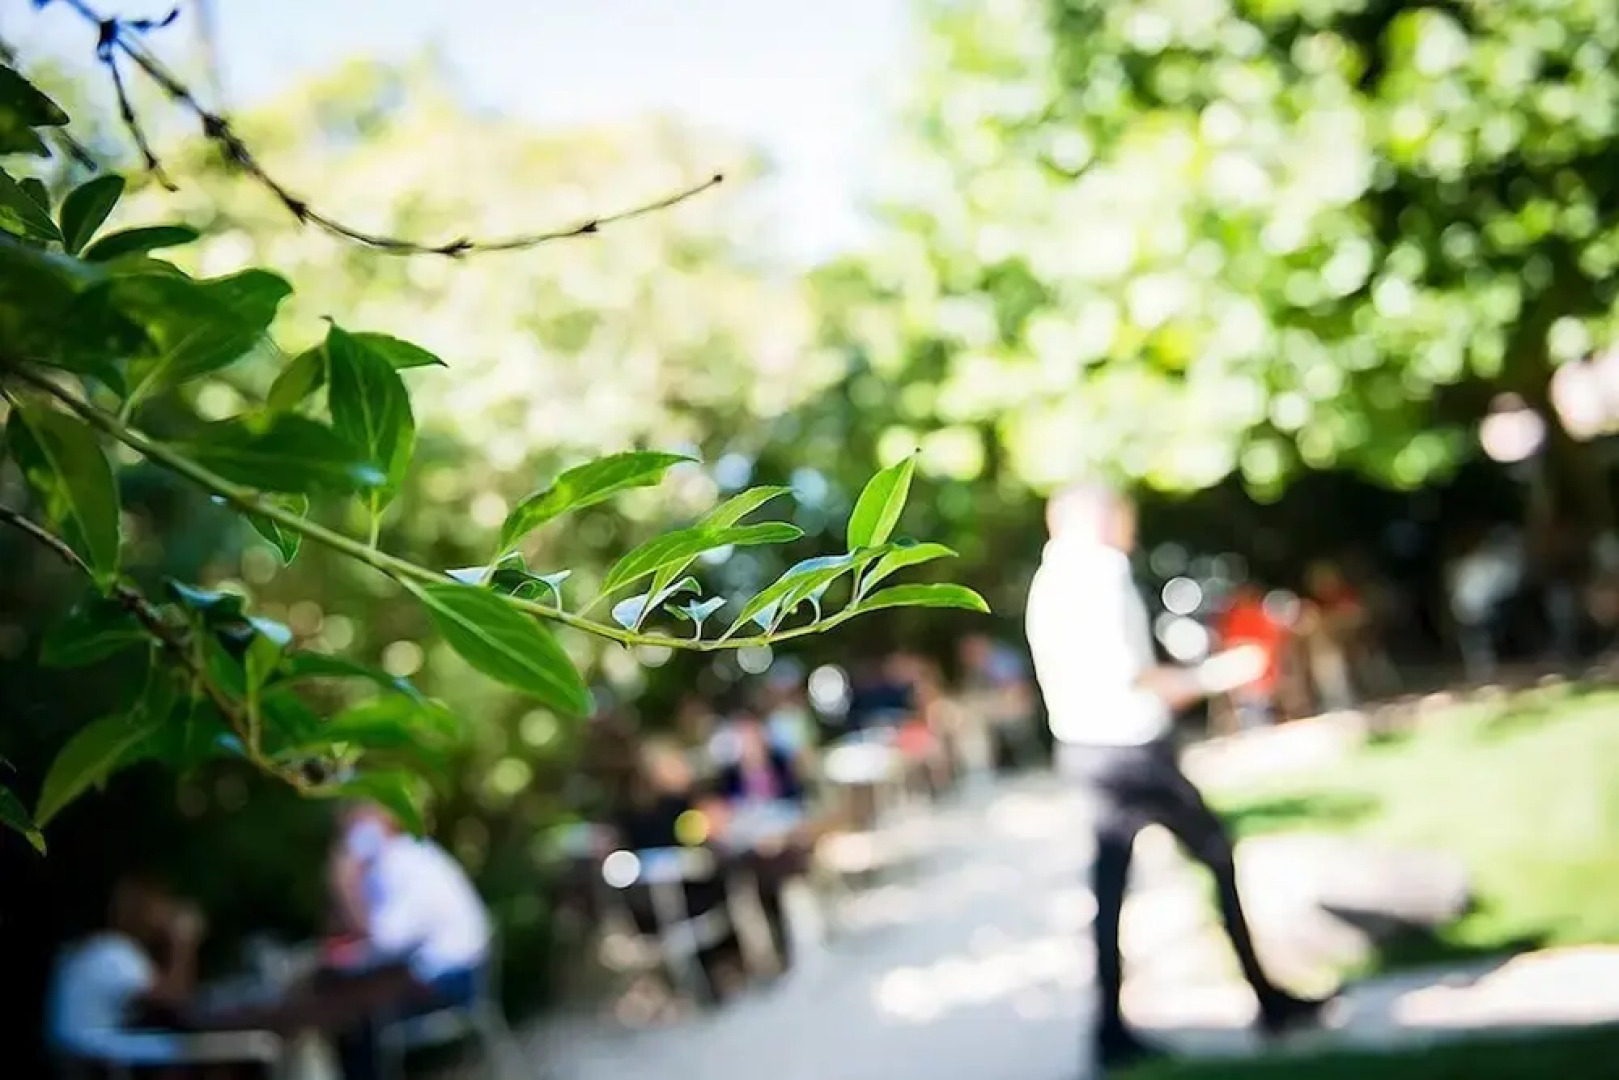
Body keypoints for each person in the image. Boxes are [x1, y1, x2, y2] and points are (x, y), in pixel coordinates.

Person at [1024, 482, 1329, 1071]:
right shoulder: (1103, 574)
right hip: (1134, 749)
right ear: (1100, 517)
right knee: (1216, 852)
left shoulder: (1047, 583)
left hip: (1083, 749)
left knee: (1109, 893)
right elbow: (1136, 678)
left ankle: (1110, 1031)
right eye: (1124, 516)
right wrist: (1222, 674)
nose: (1130, 529)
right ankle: (1269, 1004)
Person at [327, 803, 493, 1080]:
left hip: (453, 980)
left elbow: (388, 941)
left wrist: (346, 886)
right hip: (461, 971)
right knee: (350, 1002)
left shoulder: (399, 862)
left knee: (352, 1011)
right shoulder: (411, 853)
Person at [45, 872, 213, 1076]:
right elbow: (174, 999)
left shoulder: (100, 948)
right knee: (182, 1050)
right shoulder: (115, 953)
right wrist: (183, 942)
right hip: (90, 1057)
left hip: (75, 1054)